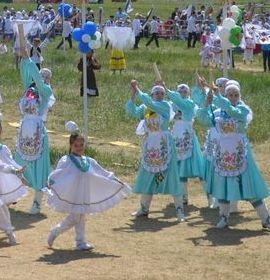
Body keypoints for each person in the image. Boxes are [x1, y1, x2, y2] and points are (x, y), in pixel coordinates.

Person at [197, 80, 270, 231]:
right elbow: (202, 119)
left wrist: (219, 97)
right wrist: (207, 104)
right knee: (223, 188)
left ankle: (266, 219)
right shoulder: (218, 112)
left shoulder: (243, 110)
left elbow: (233, 112)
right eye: (230, 95)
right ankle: (224, 218)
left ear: (239, 96)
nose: (233, 97)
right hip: (223, 155)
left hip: (241, 155)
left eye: (235, 95)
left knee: (250, 187)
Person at [43, 123, 130, 251]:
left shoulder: (89, 161)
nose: (79, 148)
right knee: (77, 217)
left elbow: (102, 172)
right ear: (71, 146)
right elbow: (59, 172)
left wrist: (115, 179)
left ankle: (79, 241)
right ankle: (58, 232)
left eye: (81, 145)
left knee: (80, 217)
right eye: (75, 145)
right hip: (73, 194)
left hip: (85, 193)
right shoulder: (67, 160)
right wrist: (50, 180)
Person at [126, 80, 182, 220]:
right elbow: (131, 111)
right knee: (147, 176)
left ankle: (180, 210)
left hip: (164, 145)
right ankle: (144, 209)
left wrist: (138, 89)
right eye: (157, 93)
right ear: (152, 94)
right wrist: (133, 95)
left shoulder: (165, 106)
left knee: (172, 176)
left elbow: (151, 104)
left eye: (162, 93)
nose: (160, 95)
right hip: (151, 145)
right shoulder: (146, 108)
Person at [15, 57, 55, 213]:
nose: (43, 79)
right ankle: (13, 193)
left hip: (38, 132)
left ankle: (37, 202)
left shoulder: (46, 92)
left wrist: (31, 62)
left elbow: (37, 80)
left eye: (46, 77)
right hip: (25, 129)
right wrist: (25, 59)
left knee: (39, 166)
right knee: (18, 162)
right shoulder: (29, 90)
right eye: (42, 75)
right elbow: (25, 73)